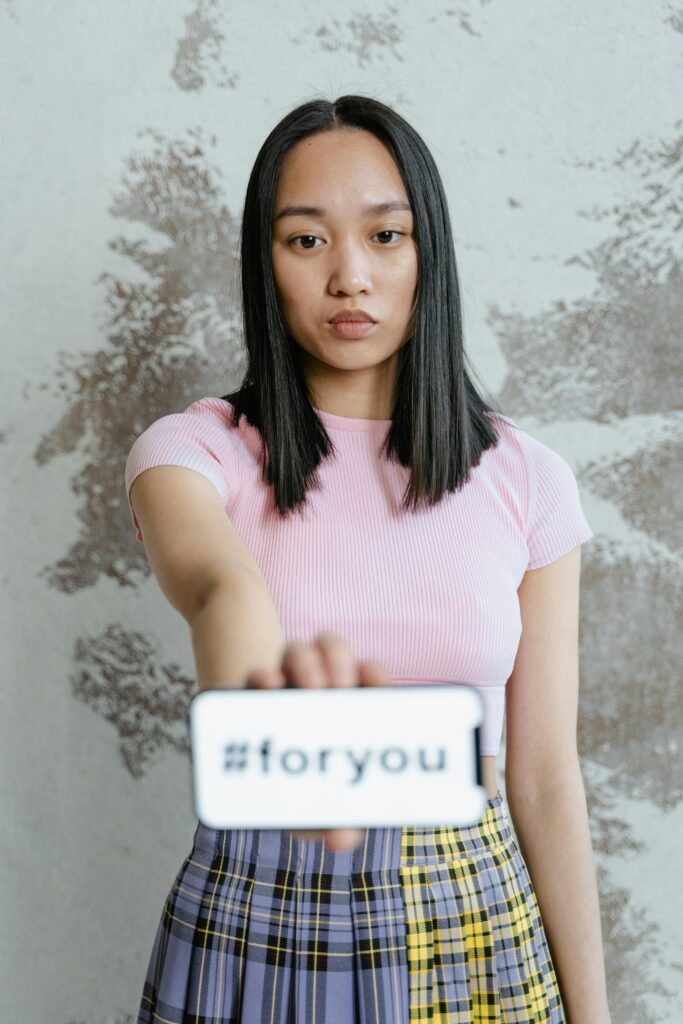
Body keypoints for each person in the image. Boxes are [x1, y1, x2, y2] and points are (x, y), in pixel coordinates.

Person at [125, 94, 611, 1023]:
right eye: (305, 241)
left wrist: (592, 1016)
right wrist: (272, 733)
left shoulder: (528, 479)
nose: (350, 275)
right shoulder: (199, 452)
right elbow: (220, 585)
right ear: (264, 265)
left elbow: (545, 776)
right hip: (262, 912)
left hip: (474, 923)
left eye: (386, 235)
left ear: (429, 250)